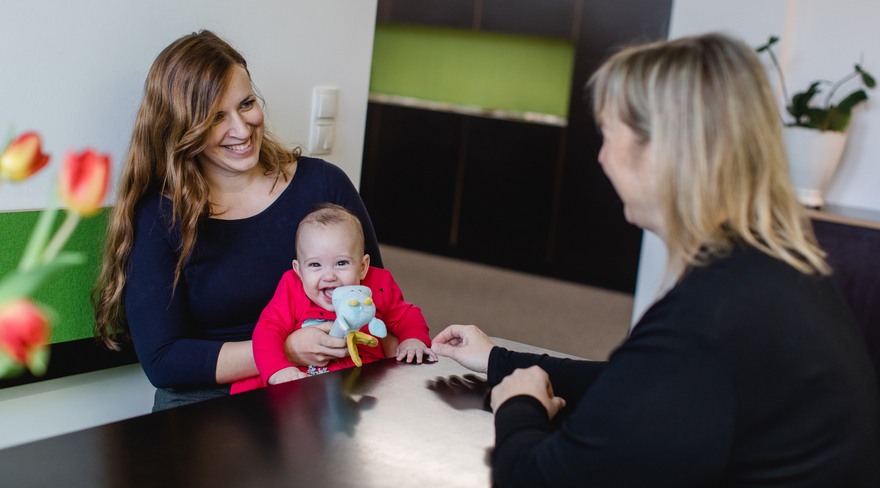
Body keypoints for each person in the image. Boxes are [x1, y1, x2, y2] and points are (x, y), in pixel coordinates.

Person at [432, 33, 880, 487]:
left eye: (608, 135)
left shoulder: (709, 319)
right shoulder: (774, 272)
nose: (603, 159)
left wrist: (517, 406)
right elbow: (633, 385)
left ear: (666, 150)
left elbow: (534, 479)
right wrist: (500, 360)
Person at [92, 30, 380, 411]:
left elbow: (378, 295)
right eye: (215, 118)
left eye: (246, 104)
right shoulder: (158, 217)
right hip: (209, 410)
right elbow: (164, 361)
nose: (242, 130)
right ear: (181, 129)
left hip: (321, 397)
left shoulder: (325, 184)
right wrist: (285, 351)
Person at [231, 204, 435, 393]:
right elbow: (268, 330)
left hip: (364, 385)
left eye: (341, 263)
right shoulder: (292, 287)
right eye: (315, 265)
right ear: (299, 270)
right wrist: (279, 371)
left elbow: (407, 315)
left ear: (363, 267)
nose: (329, 276)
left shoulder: (379, 283)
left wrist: (412, 341)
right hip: (305, 383)